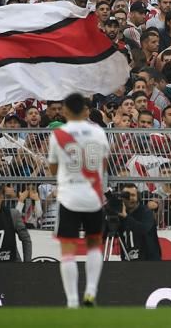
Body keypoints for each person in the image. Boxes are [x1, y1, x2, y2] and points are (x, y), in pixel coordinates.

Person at [47, 94, 110, 308]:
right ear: (86, 111)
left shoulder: (58, 135)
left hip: (69, 197)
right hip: (94, 197)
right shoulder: (99, 132)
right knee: (94, 244)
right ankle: (91, 290)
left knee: (68, 250)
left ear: (64, 111)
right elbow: (104, 163)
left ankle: (72, 300)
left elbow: (53, 169)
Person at [117, 182, 162, 261]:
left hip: (149, 263)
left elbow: (143, 229)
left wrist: (125, 216)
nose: (130, 198)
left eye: (133, 195)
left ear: (138, 197)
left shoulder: (146, 212)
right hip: (128, 262)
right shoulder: (120, 214)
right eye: (127, 195)